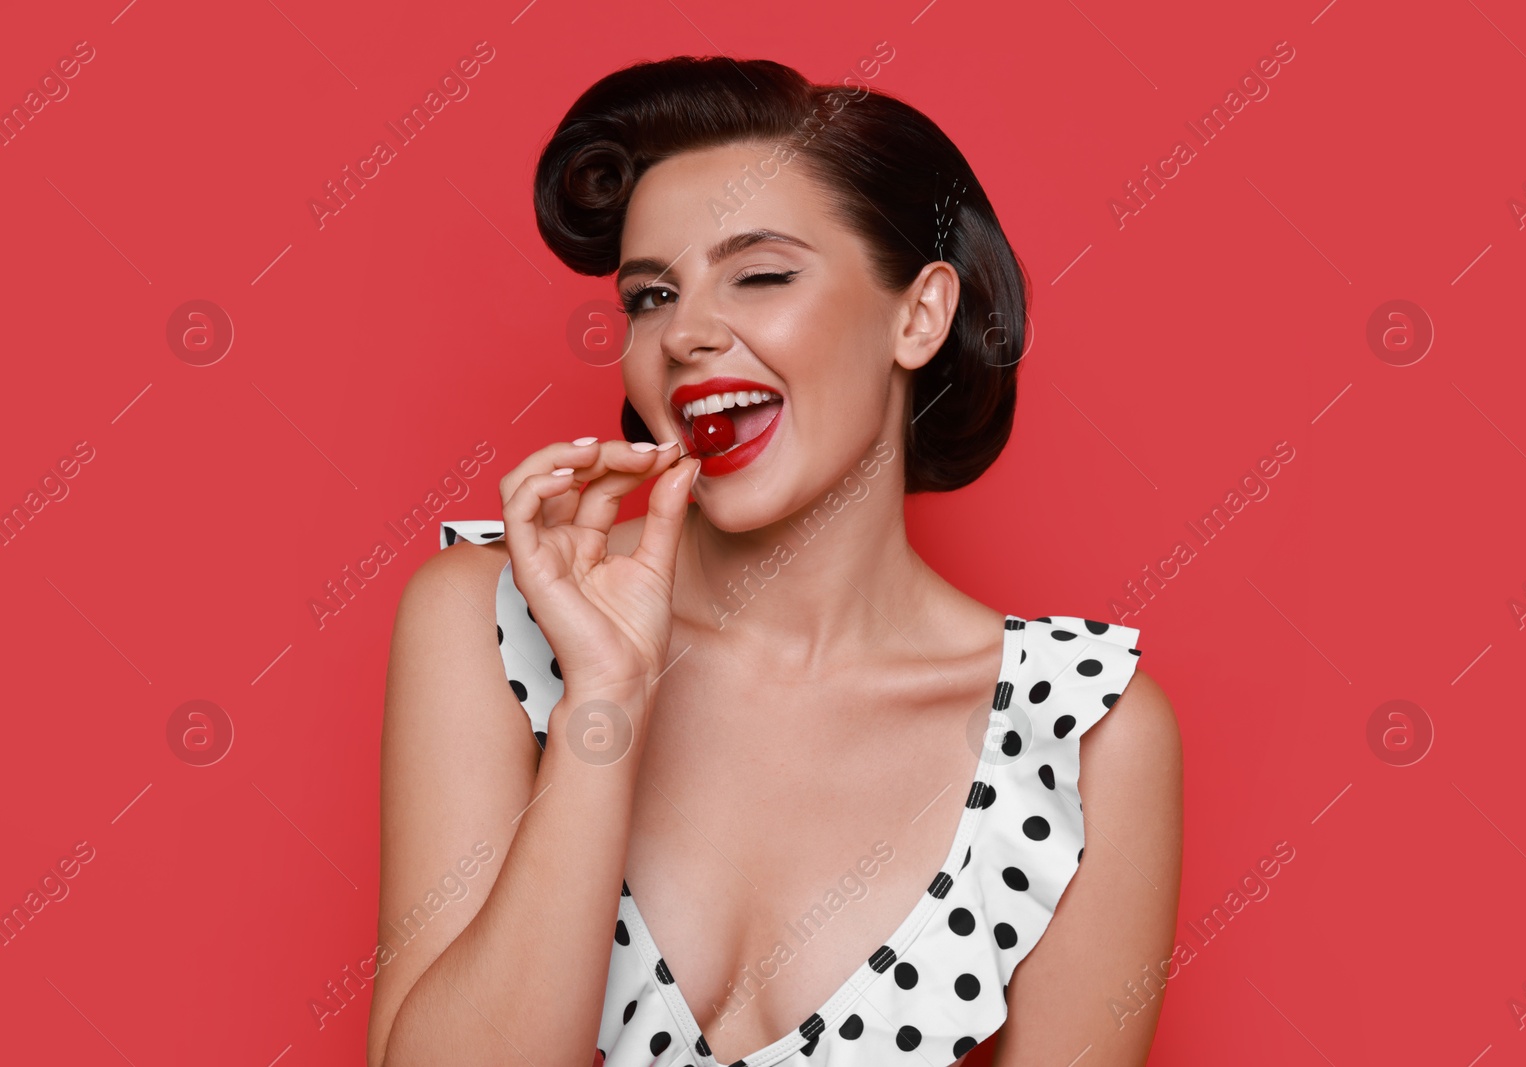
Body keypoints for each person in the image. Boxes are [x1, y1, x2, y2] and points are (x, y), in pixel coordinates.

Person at [368, 55, 1182, 1067]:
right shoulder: (493, 617)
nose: (687, 334)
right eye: (652, 294)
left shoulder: (1080, 734)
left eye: (759, 274)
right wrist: (602, 701)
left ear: (917, 315)